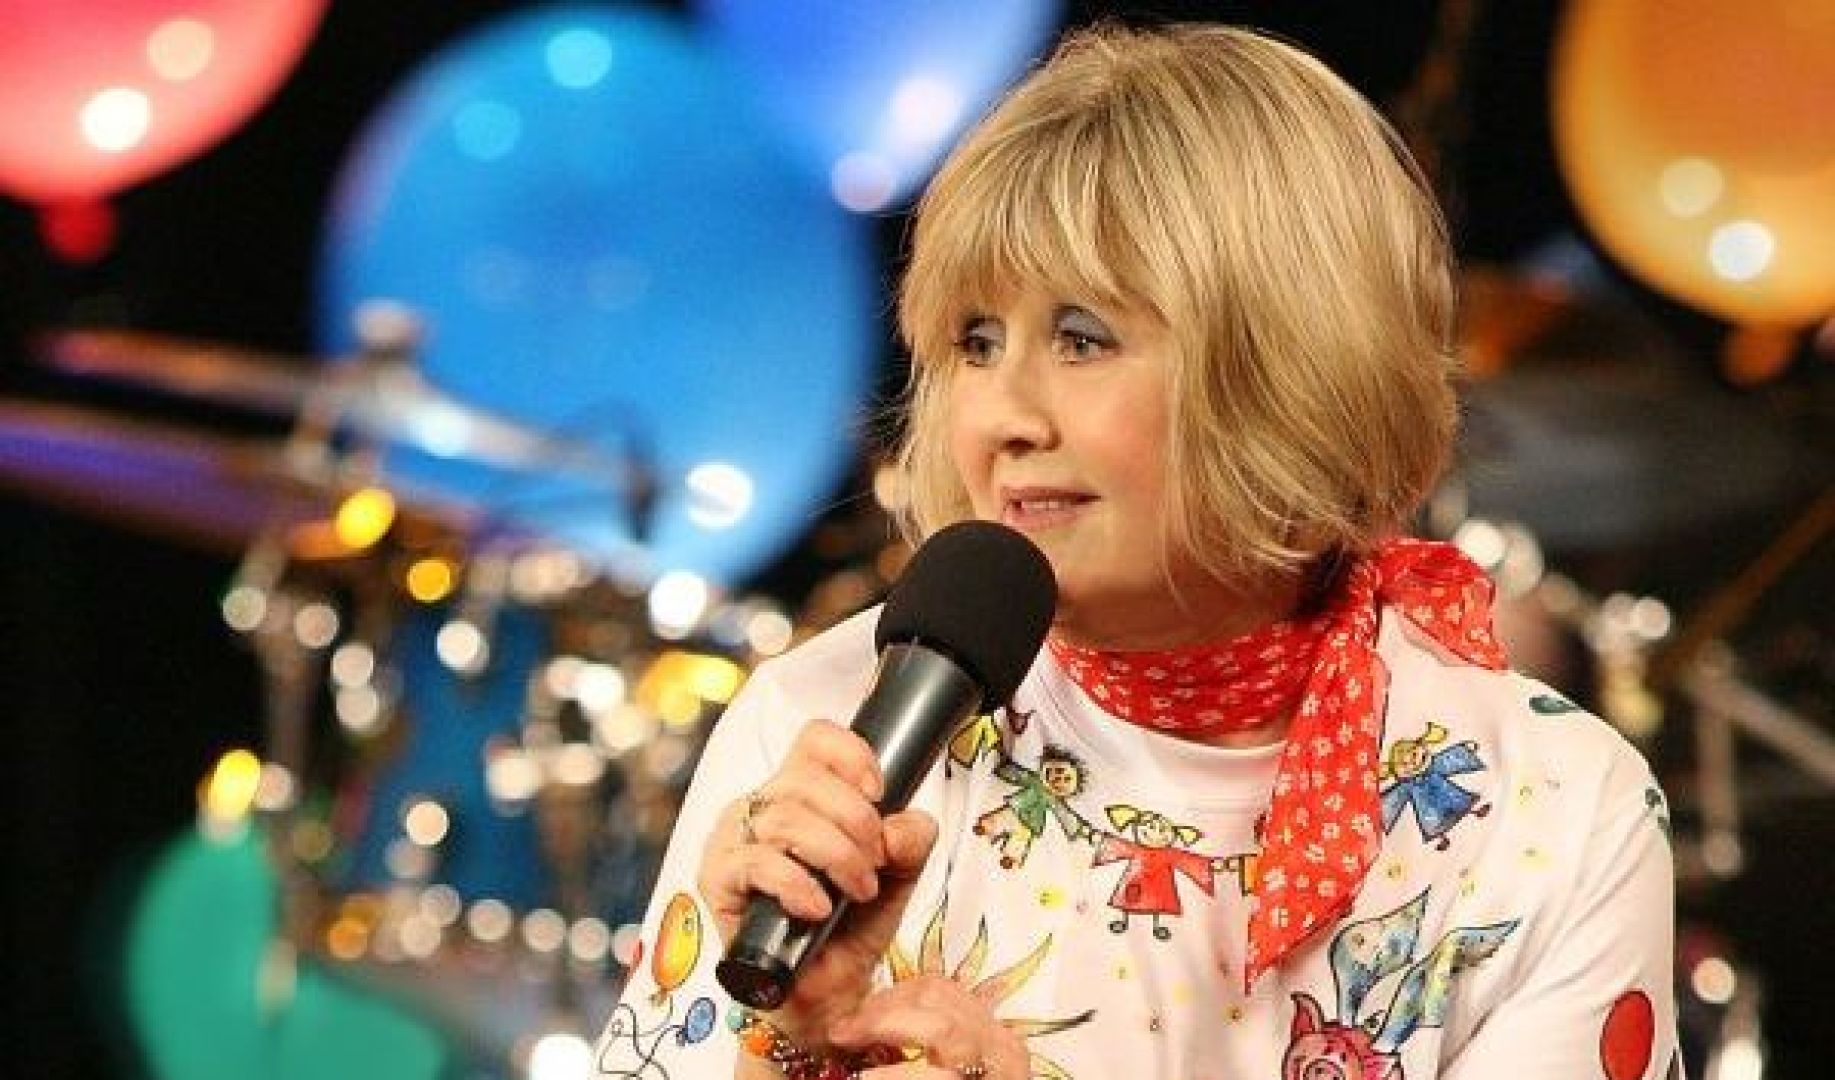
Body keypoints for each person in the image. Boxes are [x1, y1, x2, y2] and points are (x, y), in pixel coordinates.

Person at [593, 22, 1677, 1080]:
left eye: (1080, 339)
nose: (1001, 417)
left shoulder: (1552, 810)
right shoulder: (817, 730)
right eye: (975, 341)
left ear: (1289, 376)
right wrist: (787, 1047)